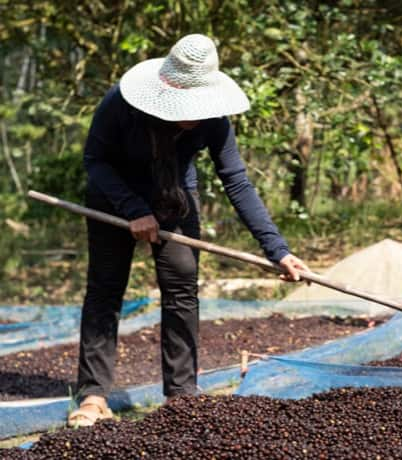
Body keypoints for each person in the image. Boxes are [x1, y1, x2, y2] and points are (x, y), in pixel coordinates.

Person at [67, 34, 309, 427]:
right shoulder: (120, 104)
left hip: (175, 195)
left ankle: (181, 398)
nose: (192, 114)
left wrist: (276, 249)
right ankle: (93, 395)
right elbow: (95, 161)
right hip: (114, 196)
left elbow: (237, 182)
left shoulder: (215, 119)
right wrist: (133, 210)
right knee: (105, 290)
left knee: (181, 288)